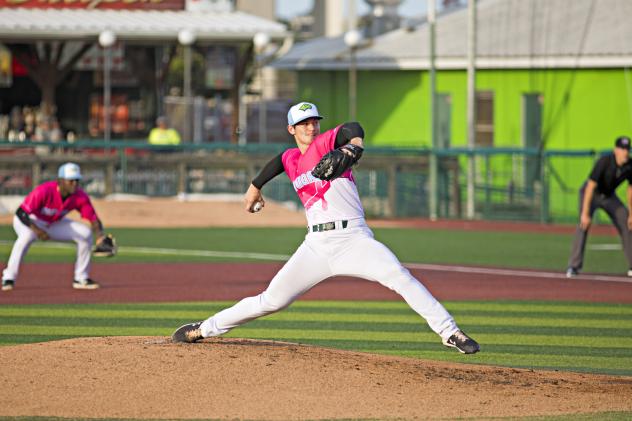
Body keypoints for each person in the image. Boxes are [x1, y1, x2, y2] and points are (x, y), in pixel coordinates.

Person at [172, 101, 480, 354]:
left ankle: (450, 332)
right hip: (316, 246)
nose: (311, 126)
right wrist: (254, 187)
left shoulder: (324, 145)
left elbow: (352, 128)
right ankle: (204, 329)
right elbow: (278, 161)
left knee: (399, 276)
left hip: (354, 239)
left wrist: (353, 146)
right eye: (304, 123)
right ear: (291, 129)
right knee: (271, 300)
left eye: (315, 121)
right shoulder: (292, 157)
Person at [1, 162, 106, 291]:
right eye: (70, 180)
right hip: (29, 221)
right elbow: (21, 213)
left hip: (52, 223)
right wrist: (37, 230)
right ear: (60, 181)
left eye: (77, 180)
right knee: (26, 236)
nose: (74, 184)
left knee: (85, 233)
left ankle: (81, 277)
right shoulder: (44, 190)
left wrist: (100, 236)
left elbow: (94, 219)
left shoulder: (80, 196)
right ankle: (8, 277)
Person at [567, 135, 632, 278]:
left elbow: (630, 189)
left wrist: (631, 214)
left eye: (627, 149)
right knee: (583, 224)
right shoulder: (604, 162)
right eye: (622, 149)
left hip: (609, 196)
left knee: (627, 221)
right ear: (616, 150)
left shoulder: (629, 165)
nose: (625, 152)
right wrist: (585, 213)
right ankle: (573, 266)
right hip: (592, 194)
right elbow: (590, 186)